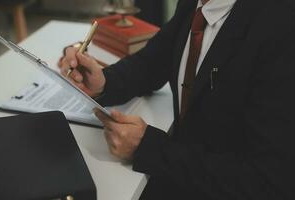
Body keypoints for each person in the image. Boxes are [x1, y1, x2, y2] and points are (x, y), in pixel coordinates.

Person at [59, 0, 295, 199]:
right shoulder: (198, 3)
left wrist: (150, 149)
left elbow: (269, 181)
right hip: (183, 171)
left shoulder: (281, 28)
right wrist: (104, 82)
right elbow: (155, 60)